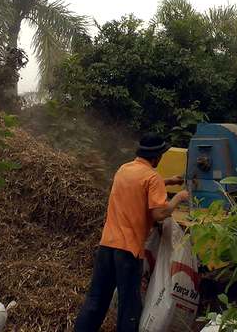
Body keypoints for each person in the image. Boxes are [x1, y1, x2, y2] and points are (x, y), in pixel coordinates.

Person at [74, 133, 189, 332]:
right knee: (129, 306)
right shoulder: (152, 178)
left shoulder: (124, 169)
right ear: (156, 157)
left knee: (96, 300)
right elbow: (159, 213)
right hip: (128, 251)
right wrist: (179, 197)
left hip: (107, 247)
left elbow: (138, 184)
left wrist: (168, 181)